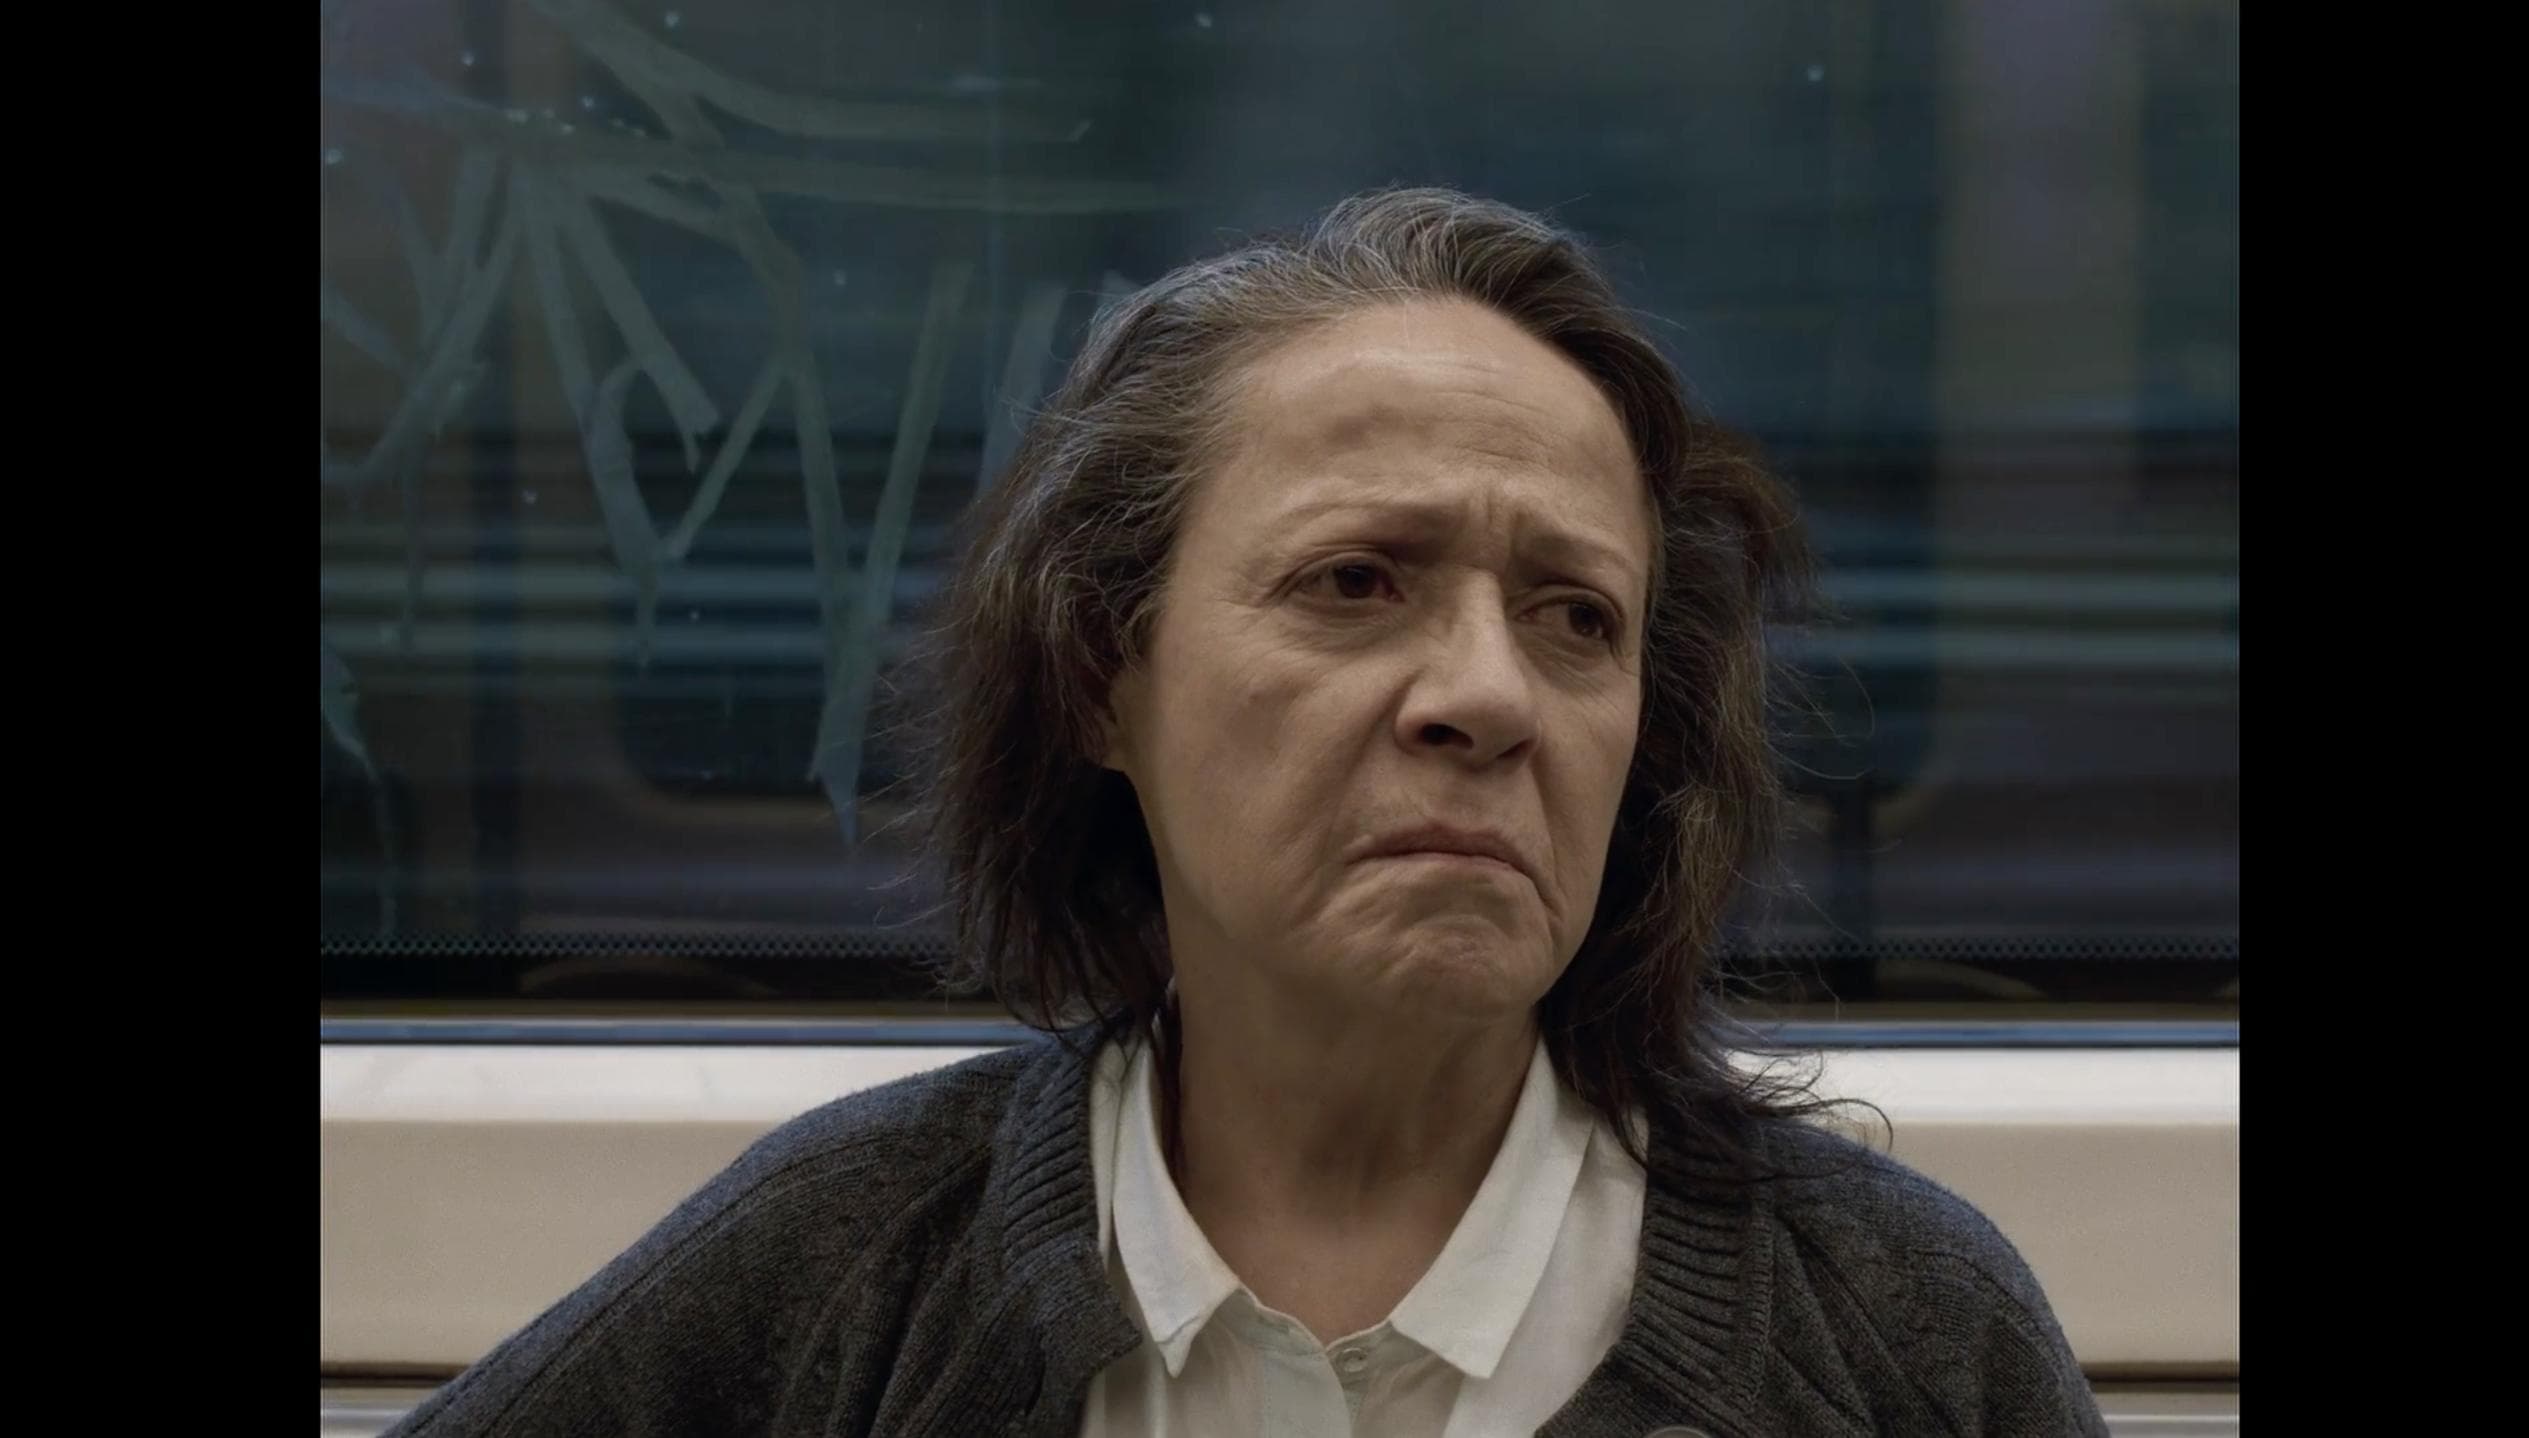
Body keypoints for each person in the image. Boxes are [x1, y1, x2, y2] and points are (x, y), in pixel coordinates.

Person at [390, 187, 2105, 1437]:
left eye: (1578, 618)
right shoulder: (846, 1271)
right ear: (1101, 676)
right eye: (1356, 581)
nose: (1491, 695)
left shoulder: (1897, 1333)